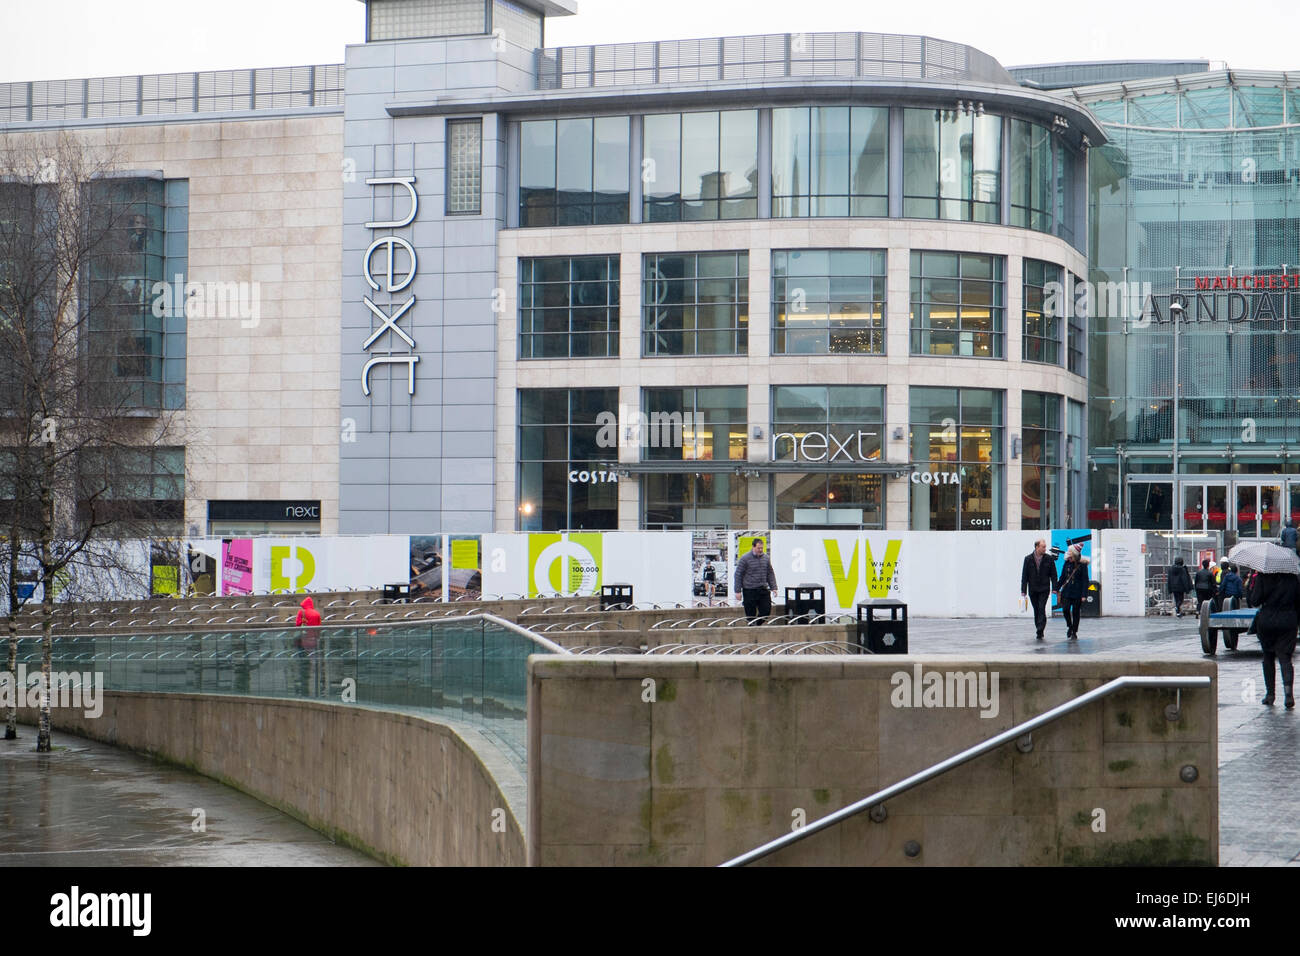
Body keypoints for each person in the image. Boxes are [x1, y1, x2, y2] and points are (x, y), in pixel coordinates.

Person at [1247, 570, 1299, 708]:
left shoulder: (1263, 577)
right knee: (1285, 657)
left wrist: (1252, 586)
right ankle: (1288, 694)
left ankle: (1270, 695)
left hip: (1267, 621)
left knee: (1268, 657)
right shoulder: (1293, 578)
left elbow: (1254, 601)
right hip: (1288, 621)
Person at [1020, 539, 1059, 640]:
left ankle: (1040, 629)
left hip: (1044, 588)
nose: (1045, 549)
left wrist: (1055, 588)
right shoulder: (1028, 559)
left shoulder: (1049, 559)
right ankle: (1039, 627)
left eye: (1045, 547)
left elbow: (1054, 575)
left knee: (1041, 608)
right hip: (1033, 589)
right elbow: (1024, 576)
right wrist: (1023, 591)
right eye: (1043, 547)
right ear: (1037, 547)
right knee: (1036, 609)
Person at [733, 538, 777, 625]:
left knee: (766, 611)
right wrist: (737, 591)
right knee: (750, 614)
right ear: (753, 547)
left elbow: (770, 573)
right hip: (749, 590)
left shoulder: (766, 558)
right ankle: (752, 629)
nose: (760, 550)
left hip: (763, 589)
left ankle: (757, 624)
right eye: (758, 548)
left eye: (761, 548)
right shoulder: (745, 558)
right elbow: (738, 575)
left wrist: (774, 587)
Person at [1058, 545, 1090, 640]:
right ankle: (1070, 626)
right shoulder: (1067, 562)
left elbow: (1085, 580)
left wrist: (1084, 595)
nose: (1069, 553)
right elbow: (1063, 577)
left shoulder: (1082, 564)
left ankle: (1074, 632)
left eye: (1070, 552)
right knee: (1065, 609)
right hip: (1067, 592)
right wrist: (1056, 588)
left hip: (1077, 592)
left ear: (1075, 554)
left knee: (1076, 613)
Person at [294, 596, 323, 696]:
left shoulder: (301, 612)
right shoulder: (317, 613)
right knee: (313, 656)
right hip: (314, 639)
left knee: (302, 658)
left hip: (304, 639)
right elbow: (319, 626)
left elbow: (297, 624)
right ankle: (312, 669)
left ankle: (305, 674)